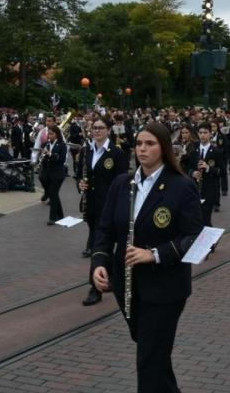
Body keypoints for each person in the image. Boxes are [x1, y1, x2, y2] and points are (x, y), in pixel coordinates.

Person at [90, 122, 203, 393]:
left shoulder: (181, 186)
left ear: (163, 148)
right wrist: (99, 263)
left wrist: (154, 254)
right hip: (127, 287)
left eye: (150, 143)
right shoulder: (122, 184)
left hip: (165, 289)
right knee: (155, 358)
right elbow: (104, 229)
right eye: (139, 143)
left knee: (149, 362)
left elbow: (194, 236)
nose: (142, 149)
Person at [79, 117, 129, 306]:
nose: (97, 131)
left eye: (100, 128)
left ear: (108, 130)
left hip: (110, 207)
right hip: (92, 206)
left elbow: (123, 181)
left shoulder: (116, 153)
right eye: (94, 128)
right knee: (97, 244)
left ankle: (98, 285)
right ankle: (97, 285)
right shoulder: (87, 151)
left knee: (110, 245)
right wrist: (80, 184)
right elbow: (80, 174)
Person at [189, 123, 223, 228]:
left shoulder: (216, 151)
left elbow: (221, 171)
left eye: (205, 133)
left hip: (209, 190)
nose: (202, 135)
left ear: (210, 134)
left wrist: (208, 168)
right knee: (195, 218)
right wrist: (192, 173)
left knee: (206, 219)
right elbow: (187, 168)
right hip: (195, 190)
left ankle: (209, 241)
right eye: (200, 133)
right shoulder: (194, 150)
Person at [42, 124, 68, 225]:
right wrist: (43, 156)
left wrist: (50, 155)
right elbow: (46, 160)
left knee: (53, 193)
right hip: (49, 172)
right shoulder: (47, 145)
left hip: (58, 173)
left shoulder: (62, 145)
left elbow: (61, 160)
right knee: (54, 194)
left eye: (52, 134)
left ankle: (53, 218)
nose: (49, 135)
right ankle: (60, 215)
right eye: (49, 133)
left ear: (57, 134)